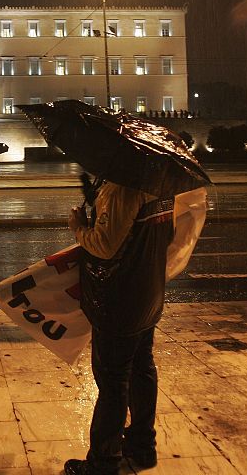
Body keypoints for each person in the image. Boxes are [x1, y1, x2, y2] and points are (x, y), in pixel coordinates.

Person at [64, 180, 174, 475]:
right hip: (149, 293)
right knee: (142, 367)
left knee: (113, 381)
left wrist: (79, 227)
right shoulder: (163, 184)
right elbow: (168, 235)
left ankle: (103, 462)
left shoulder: (120, 188)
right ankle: (142, 447)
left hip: (119, 299)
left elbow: (104, 245)